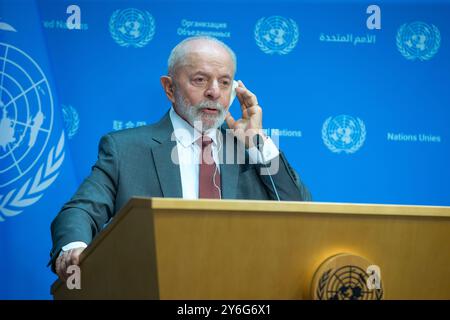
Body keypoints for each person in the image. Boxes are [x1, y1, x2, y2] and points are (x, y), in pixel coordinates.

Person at [50, 36, 311, 281]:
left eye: (224, 82)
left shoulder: (250, 150)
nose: (214, 92)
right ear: (169, 88)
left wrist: (256, 141)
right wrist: (74, 248)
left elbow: (303, 212)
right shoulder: (124, 148)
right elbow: (81, 210)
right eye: (200, 80)